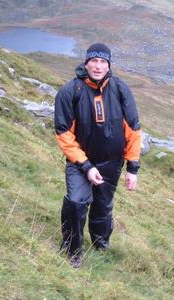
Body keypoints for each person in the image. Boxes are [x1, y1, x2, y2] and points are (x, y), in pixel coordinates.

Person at [54, 43, 141, 268]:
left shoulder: (121, 89)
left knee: (103, 206)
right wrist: (86, 166)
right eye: (94, 60)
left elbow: (133, 130)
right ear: (86, 62)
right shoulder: (70, 92)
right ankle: (72, 249)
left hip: (112, 163)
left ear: (109, 65)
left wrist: (132, 168)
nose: (98, 66)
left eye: (103, 62)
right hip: (80, 162)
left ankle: (100, 243)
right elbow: (64, 134)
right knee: (76, 202)